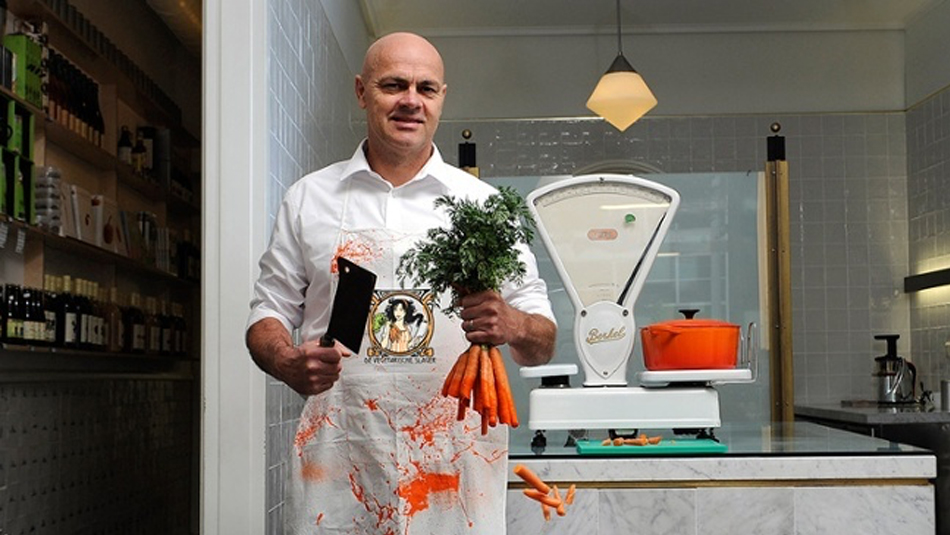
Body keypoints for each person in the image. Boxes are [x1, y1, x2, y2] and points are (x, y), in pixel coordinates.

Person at [245, 32, 556, 534]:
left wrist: (514, 323)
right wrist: (284, 361)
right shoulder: (310, 198)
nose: (411, 100)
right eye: (394, 85)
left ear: (441, 99)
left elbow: (542, 342)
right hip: (340, 466)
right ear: (361, 91)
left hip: (453, 470)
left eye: (426, 88)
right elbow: (268, 312)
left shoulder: (481, 205)